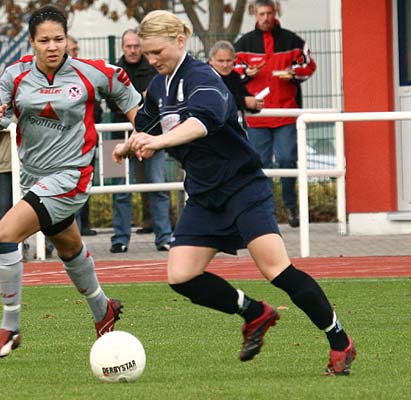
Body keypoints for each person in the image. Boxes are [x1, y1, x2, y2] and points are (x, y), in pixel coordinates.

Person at [113, 10, 355, 375]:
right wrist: (131, 144)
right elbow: (147, 125)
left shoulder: (202, 77)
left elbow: (200, 123)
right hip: (204, 195)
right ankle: (254, 313)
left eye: (157, 52)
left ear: (180, 40)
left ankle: (340, 341)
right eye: (146, 54)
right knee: (181, 276)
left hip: (242, 187)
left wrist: (158, 141)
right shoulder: (160, 87)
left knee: (276, 270)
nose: (151, 60)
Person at [0, 5, 141, 358]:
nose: (52, 46)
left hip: (72, 175)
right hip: (33, 178)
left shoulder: (91, 72)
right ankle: (103, 310)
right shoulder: (14, 76)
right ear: (32, 42)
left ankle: (10, 327)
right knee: (69, 249)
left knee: (4, 236)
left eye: (59, 39)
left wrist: (143, 133)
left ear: (67, 39)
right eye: (44, 41)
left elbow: (130, 98)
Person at [233, 0, 316, 228]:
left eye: (269, 13)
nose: (266, 18)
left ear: (275, 13)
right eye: (261, 14)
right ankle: (266, 210)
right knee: (260, 165)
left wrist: (293, 73)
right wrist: (246, 73)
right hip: (257, 116)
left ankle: (290, 206)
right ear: (254, 14)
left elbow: (309, 65)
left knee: (287, 160)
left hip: (286, 113)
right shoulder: (243, 43)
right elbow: (232, 70)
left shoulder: (293, 41)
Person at [108, 28, 172, 253]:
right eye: (129, 46)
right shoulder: (112, 71)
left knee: (159, 188)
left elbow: (161, 98)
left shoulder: (155, 69)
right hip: (116, 139)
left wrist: (132, 99)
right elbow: (111, 102)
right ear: (122, 47)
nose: (133, 50)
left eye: (137, 46)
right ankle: (119, 239)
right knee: (120, 191)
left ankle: (165, 237)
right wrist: (141, 97)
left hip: (153, 136)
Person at [66, 34, 97, 236]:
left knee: (83, 188)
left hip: (85, 144)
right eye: (73, 50)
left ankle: (82, 227)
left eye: (77, 49)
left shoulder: (87, 74)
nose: (76, 53)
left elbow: (98, 106)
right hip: (61, 147)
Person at [208, 40, 264, 124]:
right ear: (210, 61)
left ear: (234, 60)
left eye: (228, 61)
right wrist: (244, 102)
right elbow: (214, 99)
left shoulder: (234, 76)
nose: (225, 65)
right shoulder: (204, 77)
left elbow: (245, 97)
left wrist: (255, 103)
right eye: (221, 61)